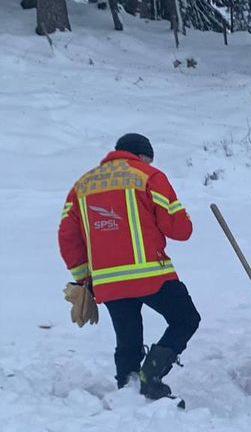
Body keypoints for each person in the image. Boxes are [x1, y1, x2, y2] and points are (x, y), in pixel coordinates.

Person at [57, 133, 201, 400]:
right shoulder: (149, 176)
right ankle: (151, 374)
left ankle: (128, 390)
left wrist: (83, 278)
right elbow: (179, 229)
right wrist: (185, 217)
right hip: (151, 275)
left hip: (108, 281)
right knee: (186, 319)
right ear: (143, 155)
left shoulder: (82, 185)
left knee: (127, 337)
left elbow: (68, 235)